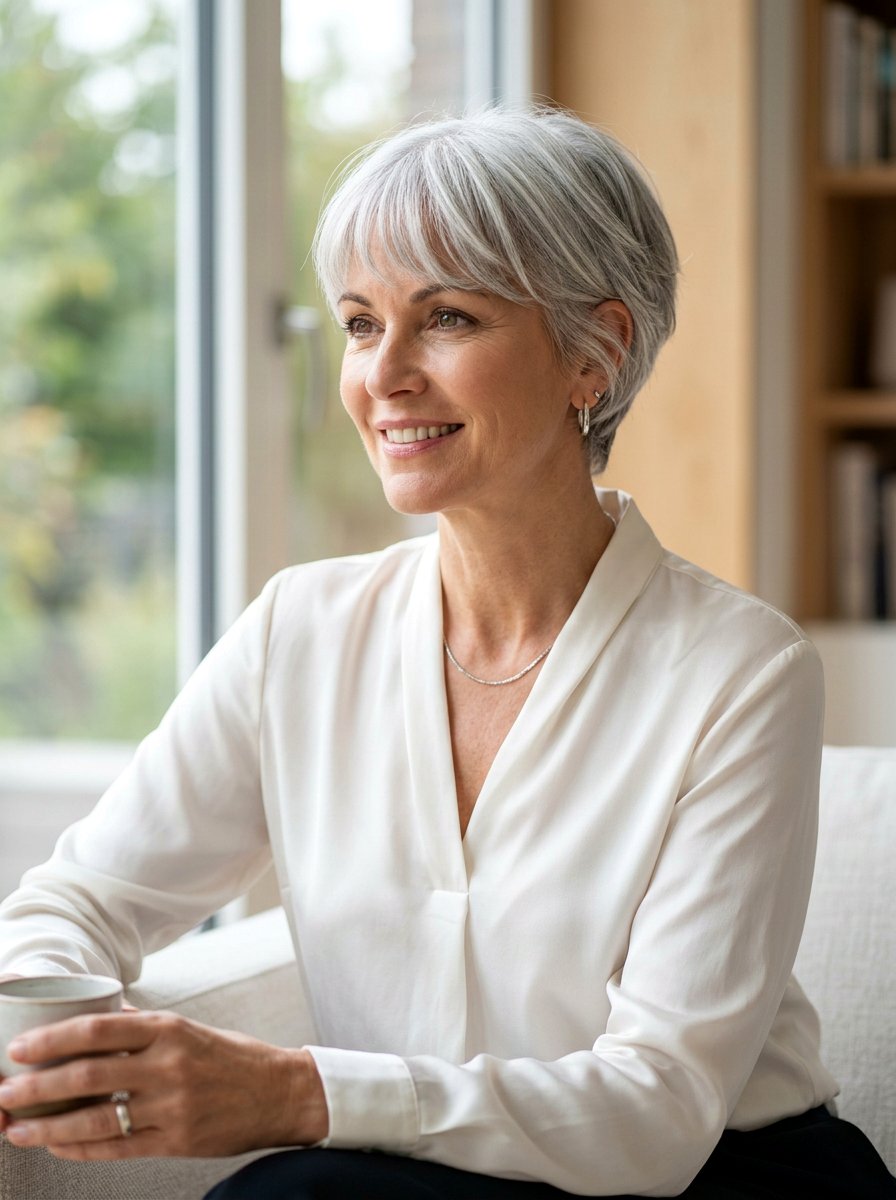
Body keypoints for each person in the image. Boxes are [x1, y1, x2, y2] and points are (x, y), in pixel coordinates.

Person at [0, 106, 893, 1200]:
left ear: (596, 353)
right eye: (359, 323)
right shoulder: (298, 632)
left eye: (447, 318)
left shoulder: (741, 671)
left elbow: (656, 1111)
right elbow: (75, 904)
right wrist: (64, 1048)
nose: (383, 374)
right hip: (424, 1178)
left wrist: (296, 1093)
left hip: (720, 1180)